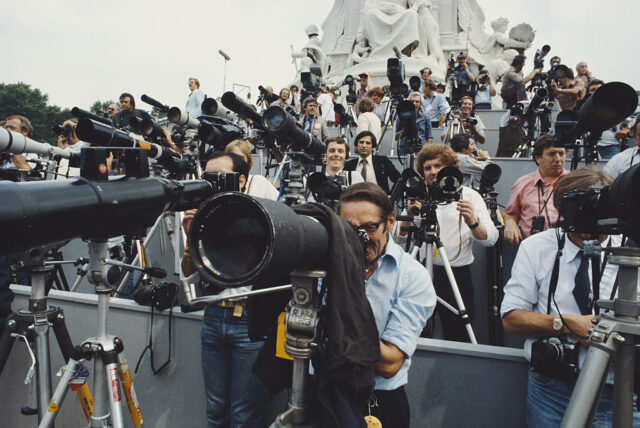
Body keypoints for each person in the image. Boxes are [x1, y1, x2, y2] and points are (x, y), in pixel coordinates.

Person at [501, 166, 640, 427]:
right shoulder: (537, 248)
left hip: (622, 392)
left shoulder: (632, 251)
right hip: (552, 391)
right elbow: (511, 319)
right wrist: (566, 324)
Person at [182, 151, 271, 428]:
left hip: (248, 322)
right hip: (212, 318)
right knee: (216, 410)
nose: (213, 184)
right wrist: (191, 239)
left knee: (244, 415)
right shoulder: (204, 217)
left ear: (241, 180)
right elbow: (190, 275)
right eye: (208, 177)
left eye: (220, 177)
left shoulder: (261, 215)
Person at [339, 182, 436, 428]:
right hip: (324, 393)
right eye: (349, 229)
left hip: (378, 401)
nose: (359, 238)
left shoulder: (412, 276)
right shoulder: (326, 265)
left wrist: (338, 316)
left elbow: (389, 363)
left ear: (390, 221)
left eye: (369, 228)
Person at [399, 144, 498, 342]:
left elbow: (491, 239)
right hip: (421, 274)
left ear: (451, 169)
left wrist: (473, 222)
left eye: (438, 166)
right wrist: (409, 214)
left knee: (458, 333)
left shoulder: (470, 196)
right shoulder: (418, 194)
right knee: (413, 331)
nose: (433, 172)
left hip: (456, 276)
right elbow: (400, 236)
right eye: (428, 168)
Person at [503, 134, 568, 245]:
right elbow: (511, 214)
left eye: (561, 154)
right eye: (552, 154)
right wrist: (510, 223)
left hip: (567, 247)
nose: (558, 159)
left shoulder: (575, 182)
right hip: (533, 247)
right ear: (538, 158)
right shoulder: (522, 184)